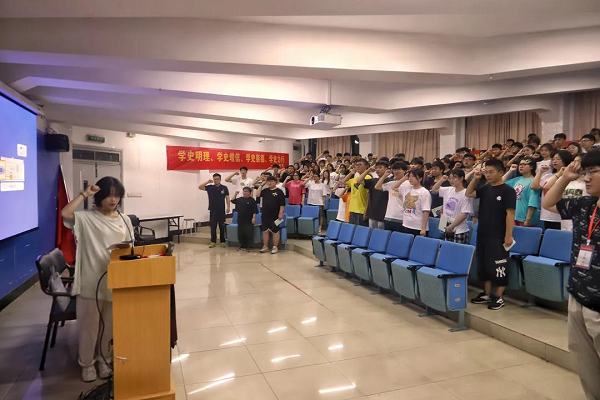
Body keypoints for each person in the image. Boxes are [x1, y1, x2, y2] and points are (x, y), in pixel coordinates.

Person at [61, 176, 133, 382]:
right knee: (89, 327)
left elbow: (130, 246)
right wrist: (84, 194)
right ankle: (86, 364)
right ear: (99, 196)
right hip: (91, 280)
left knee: (109, 325)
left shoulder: (124, 219)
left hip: (115, 280)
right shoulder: (86, 218)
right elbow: (65, 213)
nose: (113, 200)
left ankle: (104, 359)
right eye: (108, 195)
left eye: (116, 196)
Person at [541, 150, 600, 399]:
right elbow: (548, 203)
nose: (586, 178)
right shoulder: (584, 204)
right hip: (577, 296)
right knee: (586, 365)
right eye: (585, 172)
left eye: (593, 172)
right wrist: (565, 176)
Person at [467, 158, 516, 310]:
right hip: (483, 233)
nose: (488, 175)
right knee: (484, 265)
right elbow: (469, 193)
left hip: (498, 235)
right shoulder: (486, 188)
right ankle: (487, 294)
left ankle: (499, 297)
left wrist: (508, 235)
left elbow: (510, 214)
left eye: (491, 172)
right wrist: (475, 179)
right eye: (486, 172)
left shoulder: (508, 191)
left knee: (499, 265)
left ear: (501, 172)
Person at [431, 169, 473, 243]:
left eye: (454, 178)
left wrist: (451, 227)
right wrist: (441, 180)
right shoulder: (449, 189)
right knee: (446, 247)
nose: (451, 180)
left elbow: (464, 215)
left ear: (461, 178)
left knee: (457, 249)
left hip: (459, 230)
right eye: (450, 178)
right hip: (446, 225)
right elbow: (434, 189)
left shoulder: (466, 193)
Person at [503, 157, 539, 226]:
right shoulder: (517, 179)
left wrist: (528, 219)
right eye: (520, 164)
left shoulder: (534, 182)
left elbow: (532, 202)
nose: (521, 166)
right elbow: (501, 182)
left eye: (524, 164)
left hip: (525, 218)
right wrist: (510, 171)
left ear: (531, 167)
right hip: (514, 216)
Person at [376, 161, 410, 232]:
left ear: (405, 171)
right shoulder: (391, 183)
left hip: (401, 218)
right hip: (388, 217)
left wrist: (404, 178)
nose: (396, 171)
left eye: (398, 169)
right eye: (394, 170)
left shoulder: (408, 184)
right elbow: (377, 187)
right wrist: (384, 176)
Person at [199, 173, 231, 247]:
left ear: (220, 179)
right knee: (213, 226)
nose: (216, 180)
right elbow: (200, 187)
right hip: (213, 210)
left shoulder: (224, 188)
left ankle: (222, 241)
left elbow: (227, 197)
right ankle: (213, 241)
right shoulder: (210, 187)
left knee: (222, 226)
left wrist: (228, 207)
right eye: (214, 179)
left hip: (221, 210)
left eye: (217, 179)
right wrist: (207, 182)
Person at [257, 176, 285, 254]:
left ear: (275, 182)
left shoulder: (279, 192)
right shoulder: (265, 191)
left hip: (276, 215)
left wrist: (280, 213)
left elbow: (282, 204)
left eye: (272, 181)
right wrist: (261, 185)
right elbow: (258, 194)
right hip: (265, 214)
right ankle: (265, 246)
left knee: (275, 230)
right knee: (265, 230)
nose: (270, 183)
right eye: (268, 181)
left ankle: (275, 246)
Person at [357, 160, 389, 229]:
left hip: (384, 214)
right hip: (372, 213)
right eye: (376, 168)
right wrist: (368, 170)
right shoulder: (373, 180)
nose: (377, 169)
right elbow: (359, 180)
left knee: (382, 233)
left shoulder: (390, 181)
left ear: (386, 168)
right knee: (372, 233)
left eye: (380, 167)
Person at [399, 169, 431, 236]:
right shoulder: (407, 188)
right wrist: (404, 178)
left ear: (420, 178)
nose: (410, 178)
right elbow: (394, 187)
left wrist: (423, 228)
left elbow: (426, 211)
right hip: (406, 224)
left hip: (418, 227)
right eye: (409, 176)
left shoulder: (424, 192)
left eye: (413, 176)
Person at [342, 158, 371, 226]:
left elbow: (370, 197)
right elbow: (343, 181)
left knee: (361, 230)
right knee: (353, 230)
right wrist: (351, 173)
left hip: (361, 210)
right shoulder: (354, 179)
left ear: (366, 166)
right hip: (352, 209)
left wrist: (366, 212)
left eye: (360, 165)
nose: (358, 166)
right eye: (356, 165)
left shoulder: (368, 177)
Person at [231, 187, 257, 252]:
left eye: (246, 191)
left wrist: (254, 218)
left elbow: (255, 210)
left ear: (250, 193)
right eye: (244, 191)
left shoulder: (252, 200)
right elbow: (232, 200)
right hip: (240, 219)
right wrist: (235, 194)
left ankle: (249, 246)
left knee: (248, 233)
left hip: (248, 219)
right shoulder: (240, 199)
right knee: (241, 233)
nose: (245, 192)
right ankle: (242, 245)